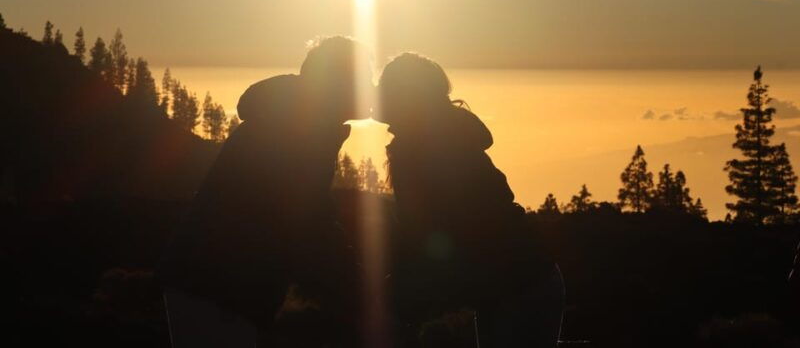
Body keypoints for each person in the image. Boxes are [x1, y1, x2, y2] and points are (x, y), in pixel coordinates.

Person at [157, 36, 373, 347]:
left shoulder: (290, 118)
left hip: (208, 281)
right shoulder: (299, 129)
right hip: (220, 286)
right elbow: (308, 219)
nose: (370, 85)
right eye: (364, 76)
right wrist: (362, 285)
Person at [376, 52, 564, 347]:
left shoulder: (426, 149)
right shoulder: (433, 140)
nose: (377, 92)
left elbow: (429, 233)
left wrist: (397, 294)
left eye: (385, 87)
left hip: (519, 286)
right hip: (516, 284)